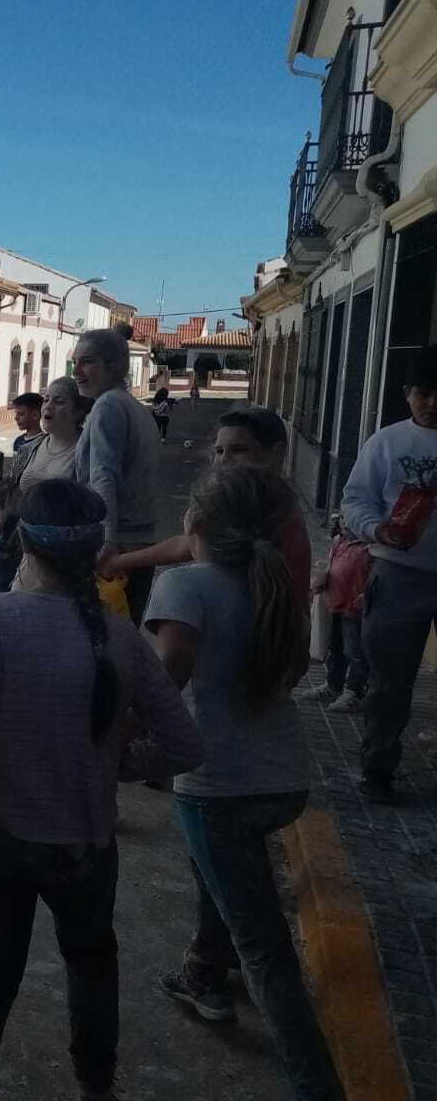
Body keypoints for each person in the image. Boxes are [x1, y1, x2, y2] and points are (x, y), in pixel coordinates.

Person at [0, 478, 202, 1101]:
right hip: (81, 848)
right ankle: (95, 1086)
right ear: (94, 551)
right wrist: (112, 765)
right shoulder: (122, 638)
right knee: (91, 966)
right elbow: (186, 747)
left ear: (25, 543)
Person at [146, 467, 343, 1099]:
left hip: (217, 783)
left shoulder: (184, 585)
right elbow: (286, 675)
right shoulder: (275, 584)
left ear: (197, 525)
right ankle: (203, 969)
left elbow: (164, 685)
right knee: (224, 881)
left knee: (265, 952)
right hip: (283, 778)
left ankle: (318, 1086)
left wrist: (110, 739)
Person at [100, 407, 312, 620]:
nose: (223, 461)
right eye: (219, 451)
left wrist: (120, 562)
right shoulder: (266, 498)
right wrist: (120, 562)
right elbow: (187, 544)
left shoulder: (263, 507)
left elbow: (192, 548)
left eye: (238, 450)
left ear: (276, 453)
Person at [341, 343, 437, 805]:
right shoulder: (386, 442)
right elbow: (354, 500)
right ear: (407, 393)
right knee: (389, 683)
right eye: (424, 392)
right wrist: (376, 527)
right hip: (397, 576)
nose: (433, 402)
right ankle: (378, 767)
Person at [73, 328, 161, 623]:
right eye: (75, 362)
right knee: (124, 645)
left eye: (87, 362)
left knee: (102, 646)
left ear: (115, 366)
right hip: (140, 547)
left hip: (115, 548)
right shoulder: (137, 409)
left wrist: (106, 542)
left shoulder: (107, 406)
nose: (76, 371)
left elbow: (103, 476)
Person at [0, 377, 89, 593]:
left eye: (59, 401)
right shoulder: (35, 446)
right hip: (25, 546)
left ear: (78, 411)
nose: (48, 406)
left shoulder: (85, 451)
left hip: (61, 553)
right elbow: (17, 489)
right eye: (46, 399)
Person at [301, 514, 373, 714]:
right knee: (336, 648)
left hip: (354, 608)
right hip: (335, 604)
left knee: (355, 652)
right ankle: (333, 685)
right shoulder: (340, 542)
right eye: (341, 517)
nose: (343, 521)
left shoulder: (370, 547)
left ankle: (354, 692)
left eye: (348, 517)